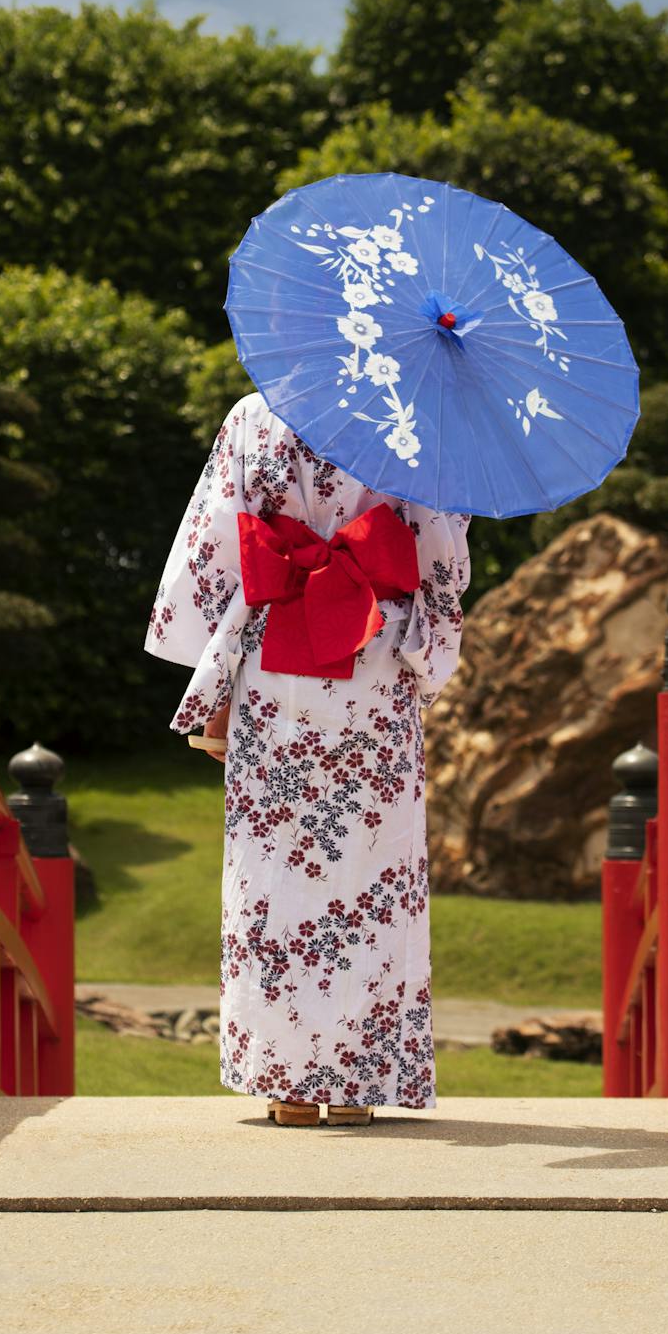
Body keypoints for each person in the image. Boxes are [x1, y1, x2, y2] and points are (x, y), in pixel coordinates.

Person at [145, 390, 469, 1127]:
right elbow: (441, 550)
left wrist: (211, 667)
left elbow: (215, 542)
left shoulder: (254, 415)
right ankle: (356, 1080)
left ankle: (285, 1082)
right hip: (375, 652)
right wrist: (434, 644)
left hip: (275, 649)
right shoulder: (415, 413)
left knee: (274, 867)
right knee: (372, 869)